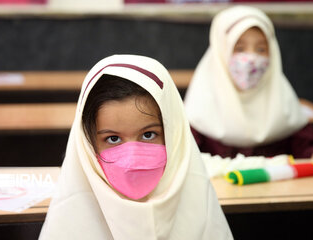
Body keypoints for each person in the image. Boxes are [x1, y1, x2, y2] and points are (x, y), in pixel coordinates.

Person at [39, 54, 233, 239]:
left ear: (173, 134)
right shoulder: (69, 219)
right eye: (113, 139)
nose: (132, 158)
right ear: (87, 144)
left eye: (148, 135)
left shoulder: (200, 204)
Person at [184, 6, 313, 160]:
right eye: (239, 48)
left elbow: (306, 147)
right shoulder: (199, 108)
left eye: (261, 49)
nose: (252, 59)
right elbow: (185, 159)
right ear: (221, 52)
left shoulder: (282, 101)